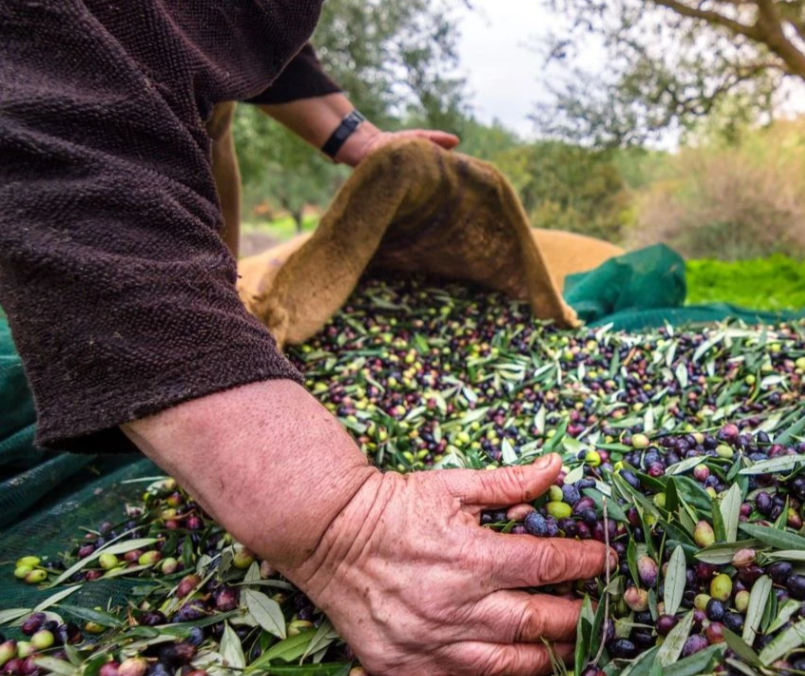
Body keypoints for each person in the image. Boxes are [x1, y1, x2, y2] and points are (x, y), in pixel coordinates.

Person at [0, 3, 609, 676]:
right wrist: (339, 524)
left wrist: (355, 138)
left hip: (164, 120)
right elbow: (57, 141)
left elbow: (230, 18)